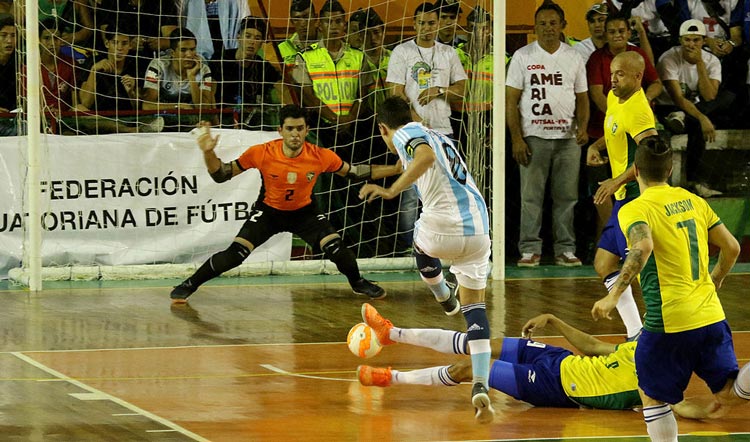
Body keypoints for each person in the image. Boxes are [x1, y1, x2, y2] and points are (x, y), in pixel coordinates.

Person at [591, 136, 750, 441]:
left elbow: (643, 245)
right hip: (711, 317)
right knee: (729, 393)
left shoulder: (634, 209)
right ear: (670, 168)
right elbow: (731, 247)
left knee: (651, 394)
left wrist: (613, 296)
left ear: (635, 171)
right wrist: (714, 279)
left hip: (669, 322)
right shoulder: (694, 201)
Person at [358, 96, 494, 424]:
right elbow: (421, 157)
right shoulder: (438, 134)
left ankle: (443, 296)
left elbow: (424, 157)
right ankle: (480, 383)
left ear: (383, 129)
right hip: (480, 229)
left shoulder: (405, 134)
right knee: (475, 310)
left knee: (420, 243)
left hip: (444, 226)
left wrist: (390, 191)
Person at [170, 105, 390, 303]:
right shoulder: (262, 152)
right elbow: (221, 175)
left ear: (307, 130)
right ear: (280, 130)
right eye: (290, 129)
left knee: (336, 247)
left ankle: (358, 283)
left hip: (305, 212)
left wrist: (397, 169)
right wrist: (208, 152)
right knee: (236, 253)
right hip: (269, 212)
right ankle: (189, 284)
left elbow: (354, 172)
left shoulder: (321, 155)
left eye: (300, 128)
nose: (295, 134)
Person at [357, 305, 641, 410]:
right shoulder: (640, 346)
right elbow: (592, 346)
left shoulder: (658, 376)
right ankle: (391, 333)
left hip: (556, 388)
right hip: (560, 359)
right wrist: (553, 320)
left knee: (468, 369)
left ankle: (391, 378)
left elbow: (678, 407)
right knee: (477, 343)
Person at [506, 1, 589, 267]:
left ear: (563, 25)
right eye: (542, 23)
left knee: (567, 197)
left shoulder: (574, 56)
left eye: (553, 23)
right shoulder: (523, 56)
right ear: (535, 27)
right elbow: (511, 101)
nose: (548, 28)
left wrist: (583, 127)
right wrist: (517, 138)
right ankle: (530, 249)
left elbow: (583, 98)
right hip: (533, 137)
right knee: (531, 198)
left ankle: (566, 249)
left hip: (567, 139)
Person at [586, 51, 659, 341]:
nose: (613, 79)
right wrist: (597, 146)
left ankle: (656, 329)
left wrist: (616, 181)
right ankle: (636, 331)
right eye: (612, 73)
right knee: (604, 264)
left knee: (642, 270)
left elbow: (650, 153)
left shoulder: (640, 110)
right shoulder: (616, 97)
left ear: (638, 77)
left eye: (620, 75)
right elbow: (616, 130)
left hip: (634, 199)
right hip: (622, 198)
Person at [386, 2, 467, 248]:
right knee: (411, 194)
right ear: (414, 24)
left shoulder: (448, 53)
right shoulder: (402, 52)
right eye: (421, 23)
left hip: (444, 132)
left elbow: (462, 90)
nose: (426, 28)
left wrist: (439, 90)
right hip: (413, 133)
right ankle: (409, 249)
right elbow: (396, 92)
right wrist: (414, 118)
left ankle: (443, 245)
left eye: (431, 23)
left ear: (439, 23)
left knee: (446, 192)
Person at [655, 19, 733, 197]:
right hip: (668, 107)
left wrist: (699, 64)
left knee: (726, 99)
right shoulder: (668, 59)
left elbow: (710, 96)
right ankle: (695, 182)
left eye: (696, 40)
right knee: (696, 123)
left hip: (693, 108)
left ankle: (696, 182)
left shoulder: (711, 61)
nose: (691, 44)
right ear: (680, 40)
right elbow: (677, 98)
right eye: (687, 40)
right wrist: (702, 118)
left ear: (704, 41)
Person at [77, 23, 163, 134]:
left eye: (124, 43)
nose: (119, 48)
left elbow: (139, 108)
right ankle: (127, 131)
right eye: (115, 43)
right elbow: (85, 103)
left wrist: (131, 92)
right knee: (78, 109)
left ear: (130, 46)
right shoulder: (92, 62)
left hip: (126, 119)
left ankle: (126, 128)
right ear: (107, 43)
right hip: (98, 121)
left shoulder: (136, 65)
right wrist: (93, 71)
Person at [211, 16, 286, 130]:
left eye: (257, 38)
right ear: (238, 37)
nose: (252, 42)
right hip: (221, 119)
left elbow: (283, 90)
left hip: (252, 122)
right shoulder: (220, 59)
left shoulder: (265, 67)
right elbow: (209, 94)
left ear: (261, 43)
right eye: (248, 36)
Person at [142, 27, 216, 127]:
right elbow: (146, 106)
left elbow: (204, 108)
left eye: (192, 49)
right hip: (163, 117)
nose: (189, 55)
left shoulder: (203, 70)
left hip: (192, 121)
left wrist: (191, 77)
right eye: (183, 50)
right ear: (172, 53)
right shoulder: (158, 65)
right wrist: (178, 107)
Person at [180, 0, 251, 61]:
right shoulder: (189, 3)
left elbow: (245, 24)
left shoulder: (236, 2)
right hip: (199, 56)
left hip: (230, 52)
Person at [0, 14, 18, 136]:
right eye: (3, 35)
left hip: (14, 119)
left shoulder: (21, 62)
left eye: (13, 35)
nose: (9, 40)